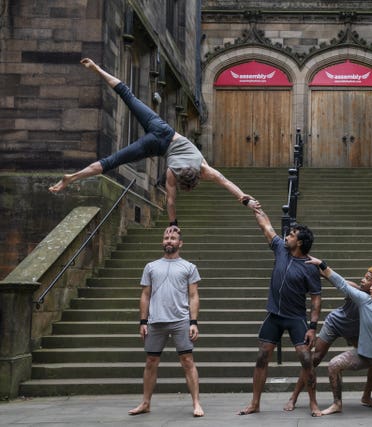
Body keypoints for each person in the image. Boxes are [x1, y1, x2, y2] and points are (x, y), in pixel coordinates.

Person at [49, 58, 261, 225]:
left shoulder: (201, 168)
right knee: (111, 162)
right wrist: (173, 223)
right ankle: (73, 177)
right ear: (193, 178)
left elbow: (227, 184)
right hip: (155, 145)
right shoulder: (176, 173)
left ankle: (96, 68)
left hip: (162, 130)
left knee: (128, 96)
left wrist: (246, 199)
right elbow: (171, 201)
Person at [285, 266, 372, 411]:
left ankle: (367, 395)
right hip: (336, 323)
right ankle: (293, 397)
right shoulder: (356, 290)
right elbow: (335, 279)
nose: (363, 280)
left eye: (369, 280)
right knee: (315, 358)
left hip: (357, 330)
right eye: (364, 277)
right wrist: (316, 268)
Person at [238, 209, 322, 417]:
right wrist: (254, 207)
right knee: (262, 357)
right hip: (274, 315)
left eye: (292, 234)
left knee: (306, 359)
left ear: (300, 242)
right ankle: (255, 403)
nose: (287, 236)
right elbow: (265, 226)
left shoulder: (310, 267)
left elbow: (315, 299)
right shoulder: (280, 249)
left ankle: (313, 403)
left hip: (296, 318)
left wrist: (312, 328)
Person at [128, 226, 204, 417]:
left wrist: (193, 322)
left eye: (173, 238)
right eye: (166, 238)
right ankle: (145, 403)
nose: (169, 240)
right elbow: (145, 295)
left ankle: (196, 403)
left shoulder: (189, 267)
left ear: (180, 243)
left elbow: (194, 295)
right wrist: (143, 321)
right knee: (151, 361)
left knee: (187, 360)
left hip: (180, 320)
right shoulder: (151, 266)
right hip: (155, 321)